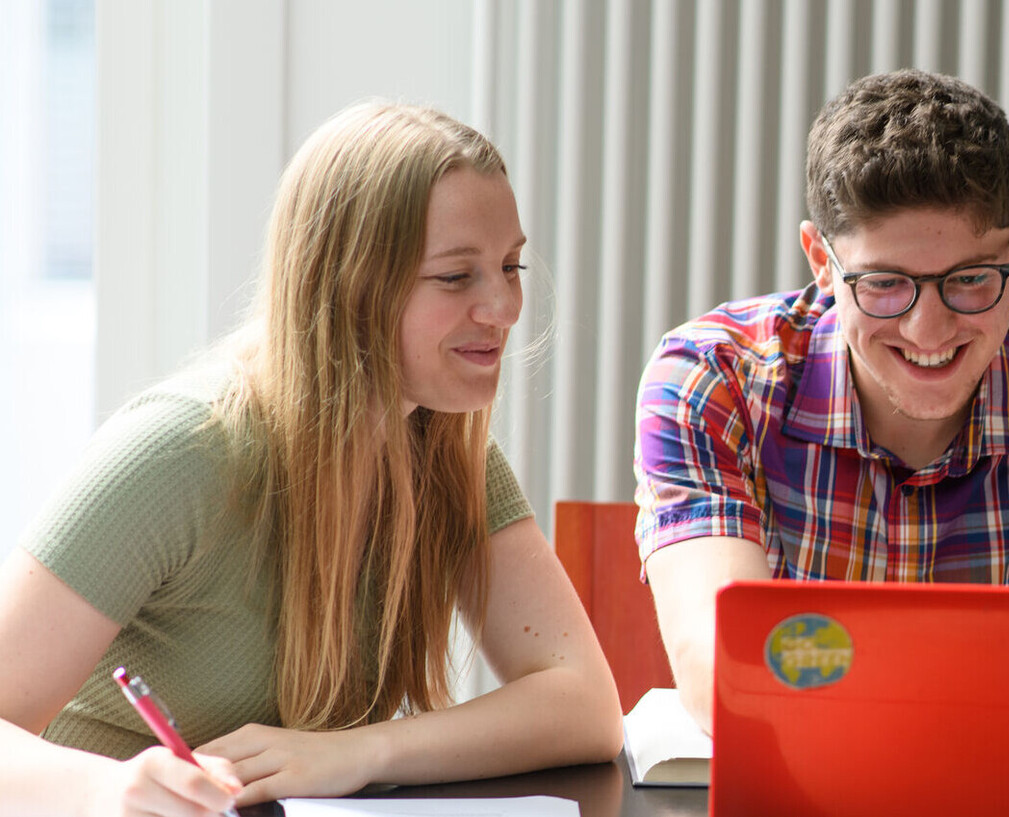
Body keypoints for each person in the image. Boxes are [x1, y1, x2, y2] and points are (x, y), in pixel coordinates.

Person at [0, 102, 623, 814]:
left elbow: (585, 703)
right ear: (348, 283)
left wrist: (359, 750)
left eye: (509, 265)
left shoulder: (446, 450)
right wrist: (107, 786)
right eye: (456, 277)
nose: (505, 307)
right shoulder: (180, 451)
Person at [636, 69, 1009, 732]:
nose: (929, 331)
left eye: (972, 278)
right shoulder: (710, 383)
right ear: (821, 259)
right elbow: (723, 673)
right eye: (887, 283)